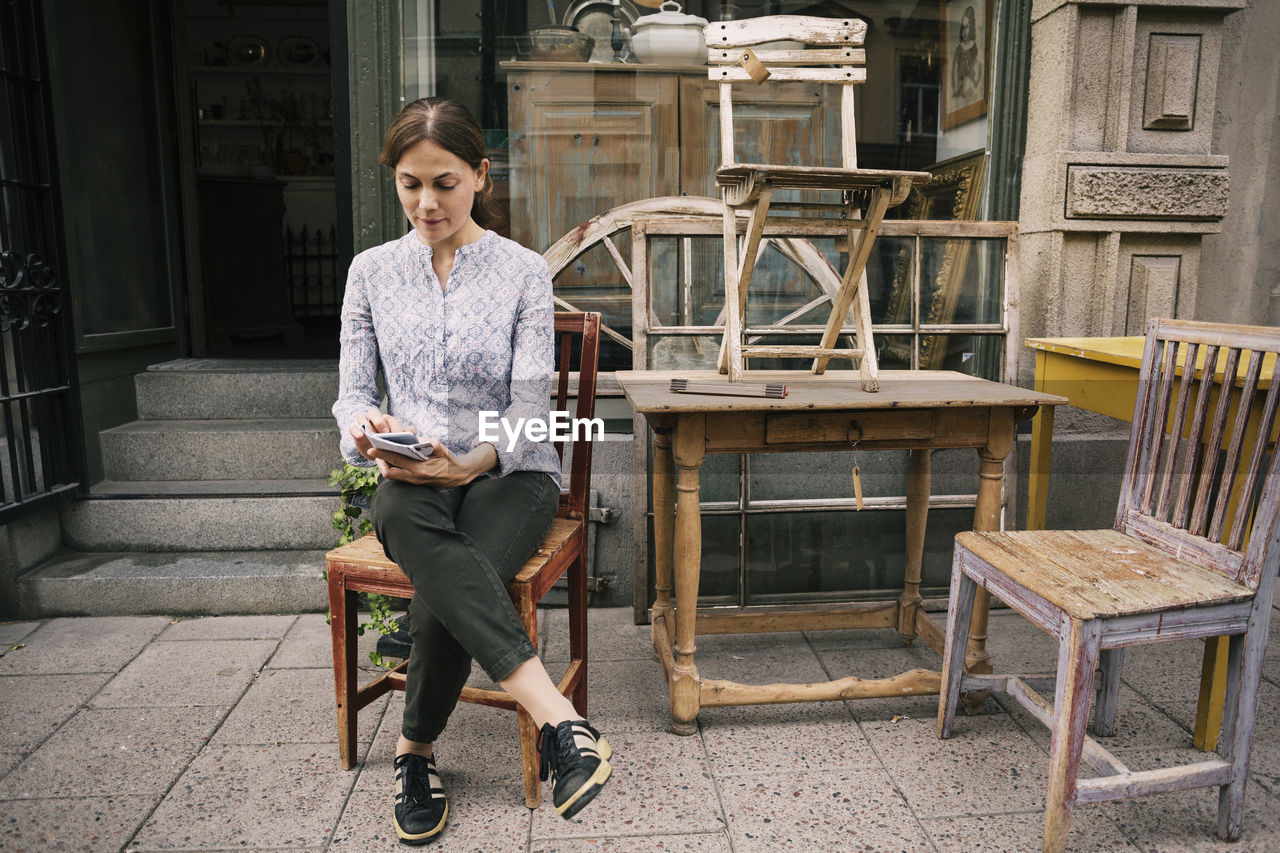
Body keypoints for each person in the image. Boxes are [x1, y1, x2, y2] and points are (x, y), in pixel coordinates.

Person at [332, 97, 613, 845]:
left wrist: (474, 463)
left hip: (509, 473)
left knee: (450, 583)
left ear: (481, 176)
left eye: (446, 183)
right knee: (400, 513)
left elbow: (530, 408)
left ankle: (413, 752)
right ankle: (561, 721)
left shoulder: (522, 272)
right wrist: (369, 432)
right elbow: (354, 394)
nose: (427, 203)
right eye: (410, 184)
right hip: (413, 477)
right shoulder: (370, 274)